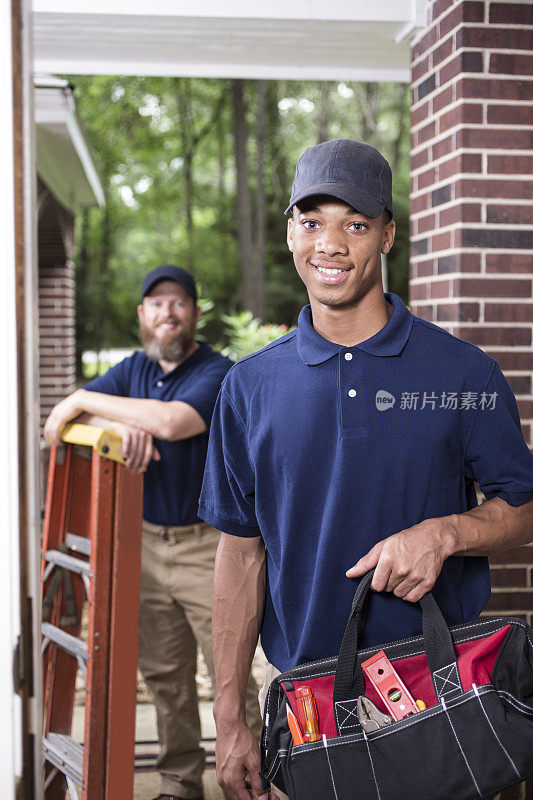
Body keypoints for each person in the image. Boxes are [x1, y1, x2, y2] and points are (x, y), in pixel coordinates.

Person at [197, 139, 533, 800]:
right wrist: (230, 716)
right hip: (310, 707)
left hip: (439, 696)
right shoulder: (249, 388)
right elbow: (240, 557)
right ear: (289, 231)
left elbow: (522, 506)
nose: (329, 243)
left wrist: (445, 534)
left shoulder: (461, 374)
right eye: (311, 221)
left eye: (353, 224)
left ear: (386, 235)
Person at [44, 264, 262, 800]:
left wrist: (83, 400)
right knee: (165, 678)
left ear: (195, 313)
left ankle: (255, 780)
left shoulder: (219, 371)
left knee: (229, 677)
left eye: (179, 302)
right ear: (142, 315)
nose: (168, 311)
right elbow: (54, 426)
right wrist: (114, 424)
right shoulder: (132, 371)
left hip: (208, 547)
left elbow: (170, 422)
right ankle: (180, 784)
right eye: (157, 303)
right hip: (143, 544)